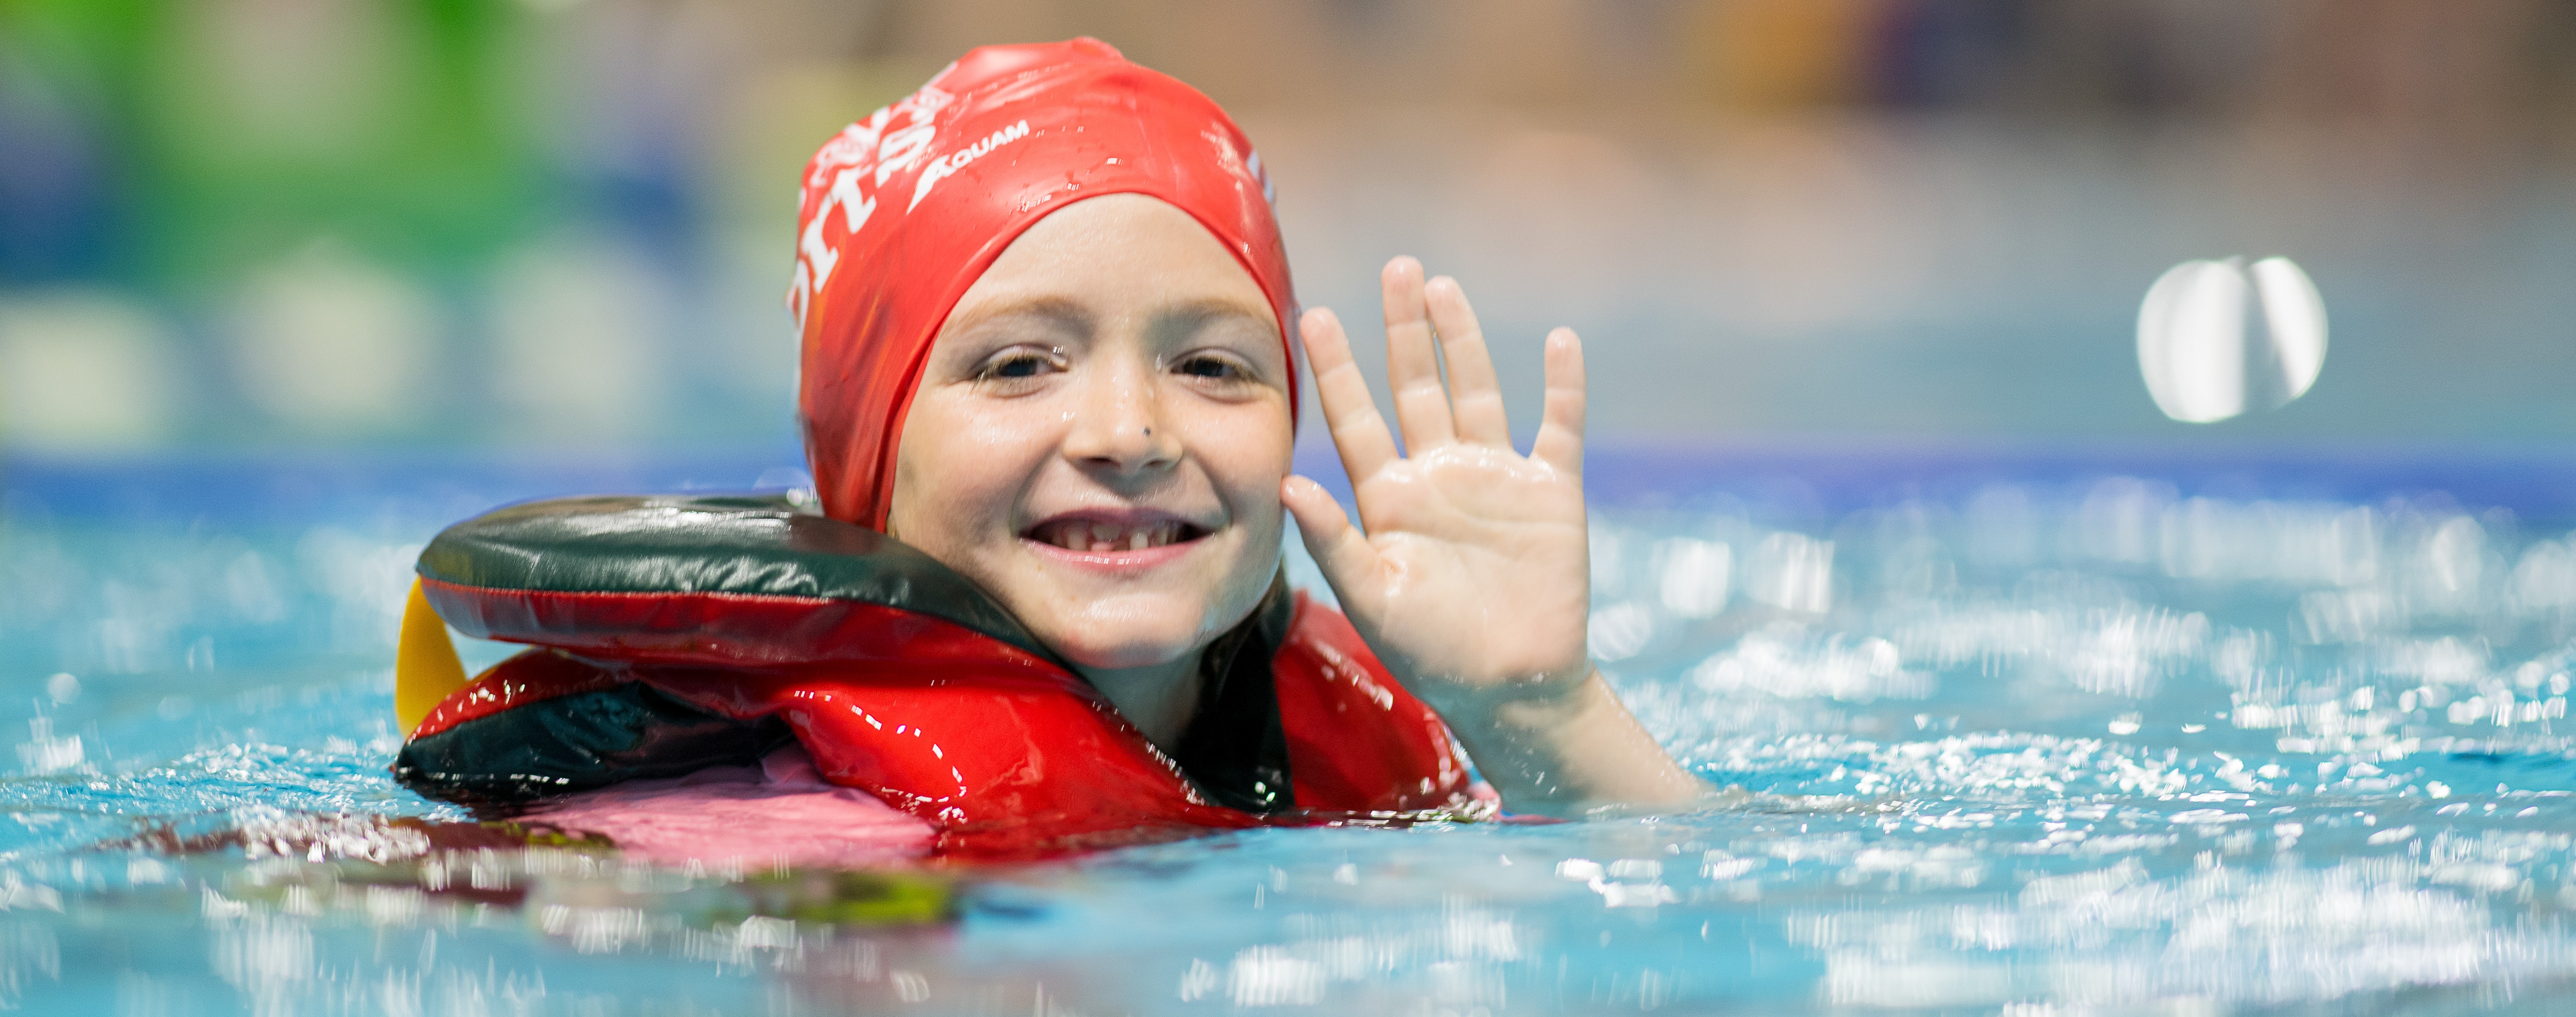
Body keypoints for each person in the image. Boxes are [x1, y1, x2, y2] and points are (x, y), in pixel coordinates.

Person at [391, 39, 1702, 859]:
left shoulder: (1371, 734)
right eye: (1020, 366)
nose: (1129, 433)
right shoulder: (743, 825)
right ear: (868, 461)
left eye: (1210, 367)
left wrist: (1547, 715)